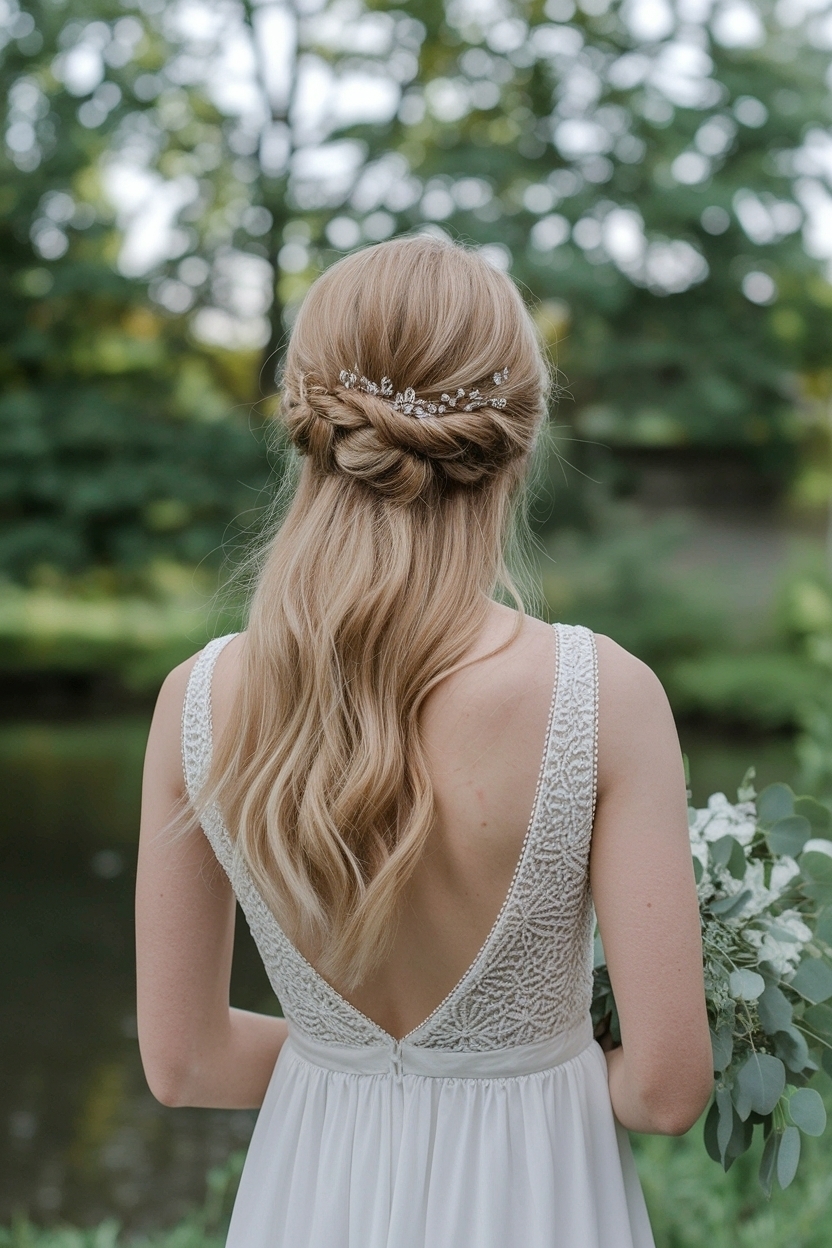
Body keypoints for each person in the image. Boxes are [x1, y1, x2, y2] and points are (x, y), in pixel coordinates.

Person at [136, 235, 713, 1248]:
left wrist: (354, 1070)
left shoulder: (199, 699)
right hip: (535, 1197)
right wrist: (515, 1071)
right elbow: (665, 1092)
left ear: (309, 429)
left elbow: (184, 1064)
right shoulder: (603, 697)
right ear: (519, 440)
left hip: (309, 1195)